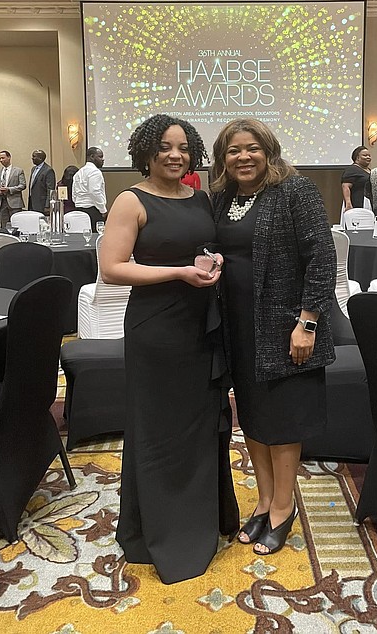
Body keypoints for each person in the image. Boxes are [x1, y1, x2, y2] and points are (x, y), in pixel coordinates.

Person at [99, 114, 238, 584]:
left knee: (199, 424)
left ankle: (203, 518)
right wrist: (178, 272)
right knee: (159, 426)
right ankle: (159, 528)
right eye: (164, 146)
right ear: (146, 152)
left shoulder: (200, 197)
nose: (175, 155)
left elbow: (207, 245)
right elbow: (113, 268)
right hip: (156, 329)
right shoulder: (131, 200)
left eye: (182, 147)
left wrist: (212, 260)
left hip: (201, 326)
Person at [212, 118, 336, 556]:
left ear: (269, 151)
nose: (243, 157)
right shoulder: (222, 196)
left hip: (286, 326)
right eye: (233, 150)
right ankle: (264, 501)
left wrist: (308, 322)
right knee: (253, 415)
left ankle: (284, 506)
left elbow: (322, 257)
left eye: (252, 148)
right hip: (238, 326)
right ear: (223, 158)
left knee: (283, 420)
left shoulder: (294, 191)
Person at [72, 147, 107, 231]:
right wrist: (103, 209)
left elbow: (74, 194)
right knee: (96, 236)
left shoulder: (78, 173)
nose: (103, 159)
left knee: (82, 234)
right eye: (100, 156)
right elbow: (94, 192)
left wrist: (78, 203)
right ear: (92, 157)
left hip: (79, 209)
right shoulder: (95, 172)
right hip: (93, 210)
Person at [0, 150, 26, 227]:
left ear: (9, 157)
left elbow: (22, 185)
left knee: (16, 225)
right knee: (4, 226)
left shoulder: (18, 171)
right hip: (2, 202)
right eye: (0, 158)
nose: (1, 160)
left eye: (3, 158)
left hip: (14, 202)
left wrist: (9, 189)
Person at [341, 146, 371, 210]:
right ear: (357, 158)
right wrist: (348, 203)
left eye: (369, 155)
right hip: (356, 205)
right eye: (365, 155)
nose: (368, 157)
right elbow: (345, 186)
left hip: (367, 204)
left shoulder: (369, 170)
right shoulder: (352, 169)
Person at [28, 150, 56, 215]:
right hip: (32, 203)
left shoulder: (48, 170)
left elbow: (50, 189)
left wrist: (47, 205)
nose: (32, 158)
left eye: (34, 156)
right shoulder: (33, 169)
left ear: (40, 158)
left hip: (42, 204)